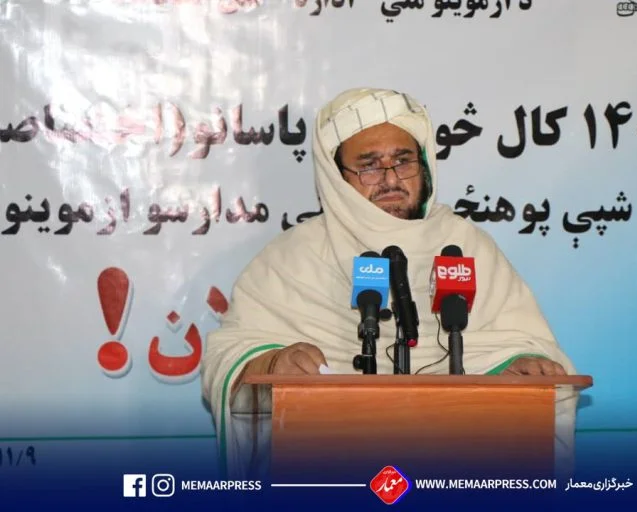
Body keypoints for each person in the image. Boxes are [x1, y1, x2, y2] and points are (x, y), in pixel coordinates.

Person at [201, 87, 577, 478]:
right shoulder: (292, 258)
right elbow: (228, 357)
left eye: (403, 161)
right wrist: (274, 361)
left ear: (424, 164)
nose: (391, 179)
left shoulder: (466, 246)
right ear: (336, 177)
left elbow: (518, 345)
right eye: (369, 166)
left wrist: (520, 366)